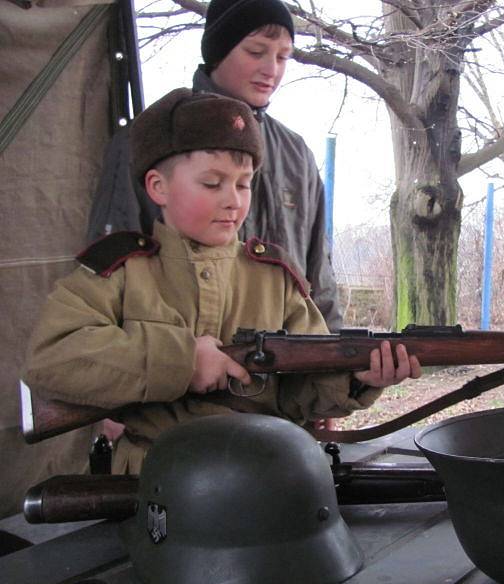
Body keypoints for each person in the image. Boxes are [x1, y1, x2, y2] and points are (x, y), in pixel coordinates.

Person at [24, 88, 421, 474]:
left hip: (260, 480)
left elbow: (300, 393)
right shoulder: (122, 270)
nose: (233, 200)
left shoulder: (273, 277)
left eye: (244, 183)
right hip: (151, 483)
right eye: (212, 184)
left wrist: (356, 378)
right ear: (157, 187)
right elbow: (53, 357)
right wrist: (183, 362)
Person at [87, 0, 343, 330]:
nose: (272, 69)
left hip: (283, 374)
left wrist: (349, 368)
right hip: (174, 363)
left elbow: (318, 281)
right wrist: (172, 359)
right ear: (218, 51)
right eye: (256, 51)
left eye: (283, 56)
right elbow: (109, 270)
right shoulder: (146, 140)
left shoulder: (297, 154)